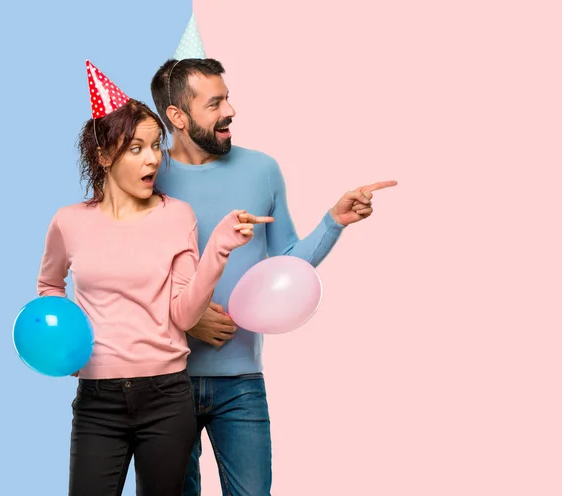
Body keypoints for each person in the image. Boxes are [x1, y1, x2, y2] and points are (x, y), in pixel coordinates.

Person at [150, 57, 397, 496]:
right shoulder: (149, 176)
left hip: (242, 381)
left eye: (227, 97)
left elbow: (285, 261)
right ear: (178, 117)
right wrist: (186, 317)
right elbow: (125, 273)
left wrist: (333, 221)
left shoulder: (262, 169)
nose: (231, 110)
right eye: (216, 103)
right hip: (164, 381)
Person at [36, 60, 272, 496]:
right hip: (97, 401)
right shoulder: (68, 223)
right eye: (136, 149)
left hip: (167, 397)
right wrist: (65, 341)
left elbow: (184, 315)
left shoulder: (176, 216)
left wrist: (218, 248)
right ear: (104, 156)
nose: (152, 159)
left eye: (155, 146)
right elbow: (49, 285)